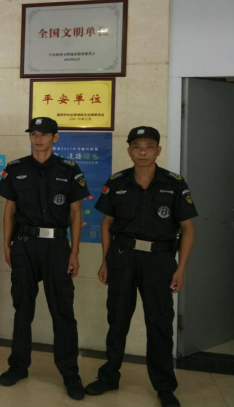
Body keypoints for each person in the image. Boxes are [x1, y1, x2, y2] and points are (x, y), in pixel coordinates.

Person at [85, 126, 197, 407]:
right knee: (117, 319)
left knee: (159, 323)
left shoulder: (174, 183)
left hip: (159, 261)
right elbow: (107, 223)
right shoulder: (117, 181)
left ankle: (165, 387)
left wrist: (180, 268)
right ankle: (109, 377)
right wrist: (105, 260)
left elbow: (187, 228)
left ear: (158, 150)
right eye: (137, 147)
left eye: (149, 146)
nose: (143, 152)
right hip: (122, 258)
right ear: (129, 151)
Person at [0, 117, 89, 401]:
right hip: (24, 244)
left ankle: (70, 373)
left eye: (44, 134)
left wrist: (74, 251)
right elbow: (9, 211)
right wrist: (7, 245)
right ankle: (18, 366)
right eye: (34, 134)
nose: (38, 139)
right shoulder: (16, 168)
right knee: (23, 307)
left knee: (62, 309)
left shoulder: (69, 169)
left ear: (55, 138)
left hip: (57, 246)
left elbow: (76, 213)